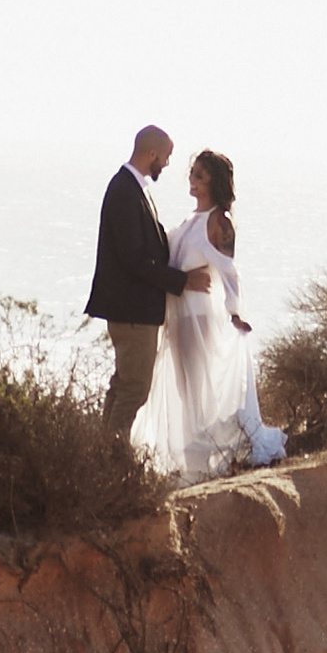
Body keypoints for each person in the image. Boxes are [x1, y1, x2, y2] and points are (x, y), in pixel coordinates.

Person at [140, 150, 287, 480]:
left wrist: (234, 312)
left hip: (200, 315)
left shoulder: (219, 221)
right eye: (192, 173)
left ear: (214, 182)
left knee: (201, 386)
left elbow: (229, 271)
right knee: (184, 387)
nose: (192, 180)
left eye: (200, 176)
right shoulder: (190, 220)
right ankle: (193, 457)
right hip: (177, 316)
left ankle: (216, 452)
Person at [86, 126, 210, 431]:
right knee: (135, 389)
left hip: (132, 311)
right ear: (152, 154)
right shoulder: (125, 191)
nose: (166, 164)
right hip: (132, 312)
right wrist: (182, 281)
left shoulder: (133, 187)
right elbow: (134, 259)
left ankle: (102, 450)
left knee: (124, 385)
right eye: (166, 157)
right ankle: (112, 454)